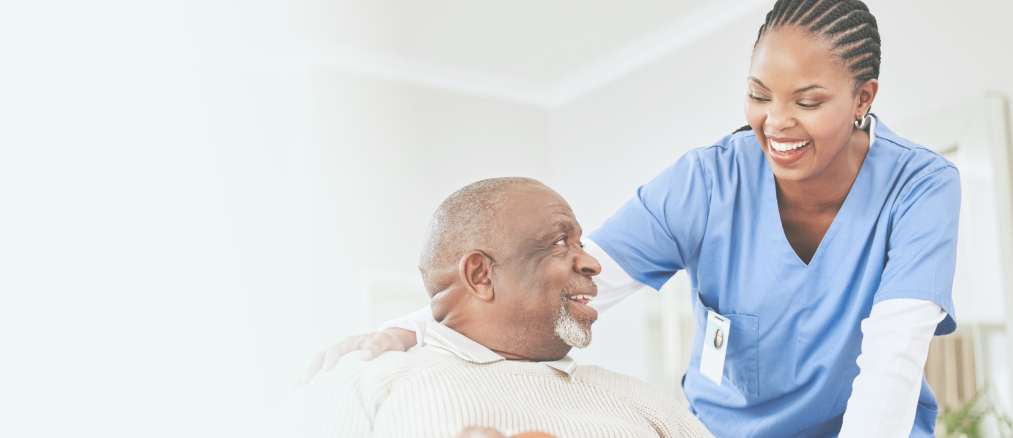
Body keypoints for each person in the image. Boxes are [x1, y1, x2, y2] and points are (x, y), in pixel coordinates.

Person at [297, 1, 958, 436]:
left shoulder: (921, 186)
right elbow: (572, 282)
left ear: (863, 96)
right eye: (759, 97)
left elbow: (892, 361)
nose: (776, 123)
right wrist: (399, 330)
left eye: (807, 101)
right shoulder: (709, 181)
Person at [279, 177, 712, 438]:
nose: (593, 261)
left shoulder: (643, 403)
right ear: (481, 275)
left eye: (580, 242)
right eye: (562, 242)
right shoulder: (365, 378)